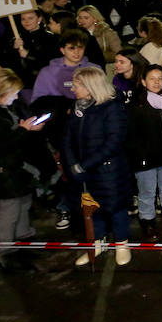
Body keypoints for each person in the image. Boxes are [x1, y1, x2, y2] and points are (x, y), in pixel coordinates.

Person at [0, 69, 45, 273]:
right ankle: (5, 252)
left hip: (19, 168)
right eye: (12, 94)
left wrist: (30, 127)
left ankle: (24, 240)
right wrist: (23, 131)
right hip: (1, 172)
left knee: (24, 204)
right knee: (8, 212)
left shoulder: (9, 106)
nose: (16, 97)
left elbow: (19, 127)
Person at [64, 66, 133, 267]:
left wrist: (84, 165)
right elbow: (67, 138)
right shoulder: (76, 107)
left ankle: (122, 244)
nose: (72, 89)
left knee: (116, 208)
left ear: (90, 86)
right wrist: (72, 164)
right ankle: (98, 243)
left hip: (109, 171)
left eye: (76, 85)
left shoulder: (112, 108)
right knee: (92, 209)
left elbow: (113, 142)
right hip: (84, 173)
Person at [126, 64, 162, 241]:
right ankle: (147, 221)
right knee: (147, 192)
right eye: (152, 78)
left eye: (160, 78)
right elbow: (130, 135)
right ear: (143, 81)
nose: (157, 82)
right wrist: (138, 155)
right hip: (145, 158)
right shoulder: (136, 104)